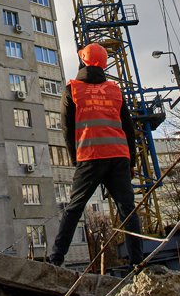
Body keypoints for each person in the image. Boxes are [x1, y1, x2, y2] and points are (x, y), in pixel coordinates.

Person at [48, 43, 145, 267]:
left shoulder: (72, 89)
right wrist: (131, 161)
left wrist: (75, 159)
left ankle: (56, 260)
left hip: (90, 156)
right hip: (118, 157)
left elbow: (67, 129)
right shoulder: (114, 90)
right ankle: (138, 263)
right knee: (127, 209)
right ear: (104, 64)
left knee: (74, 208)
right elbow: (128, 128)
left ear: (83, 61)